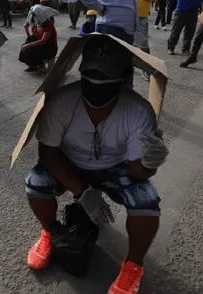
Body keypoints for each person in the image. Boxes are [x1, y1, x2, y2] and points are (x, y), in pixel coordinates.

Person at [24, 35, 169, 294]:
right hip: (69, 164)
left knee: (146, 201)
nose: (96, 81)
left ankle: (133, 265)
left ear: (123, 77)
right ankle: (50, 232)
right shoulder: (61, 102)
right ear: (80, 71)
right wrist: (81, 191)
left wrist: (150, 162)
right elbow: (48, 153)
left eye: (105, 75)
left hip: (116, 167)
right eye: (90, 73)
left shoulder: (138, 111)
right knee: (36, 184)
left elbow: (137, 171)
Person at [19, 5, 58, 72]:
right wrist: (26, 29)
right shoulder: (37, 24)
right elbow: (31, 37)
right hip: (42, 46)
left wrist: (27, 46)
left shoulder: (48, 24)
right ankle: (33, 65)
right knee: (27, 44)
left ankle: (38, 64)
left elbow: (43, 41)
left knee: (29, 48)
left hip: (50, 48)